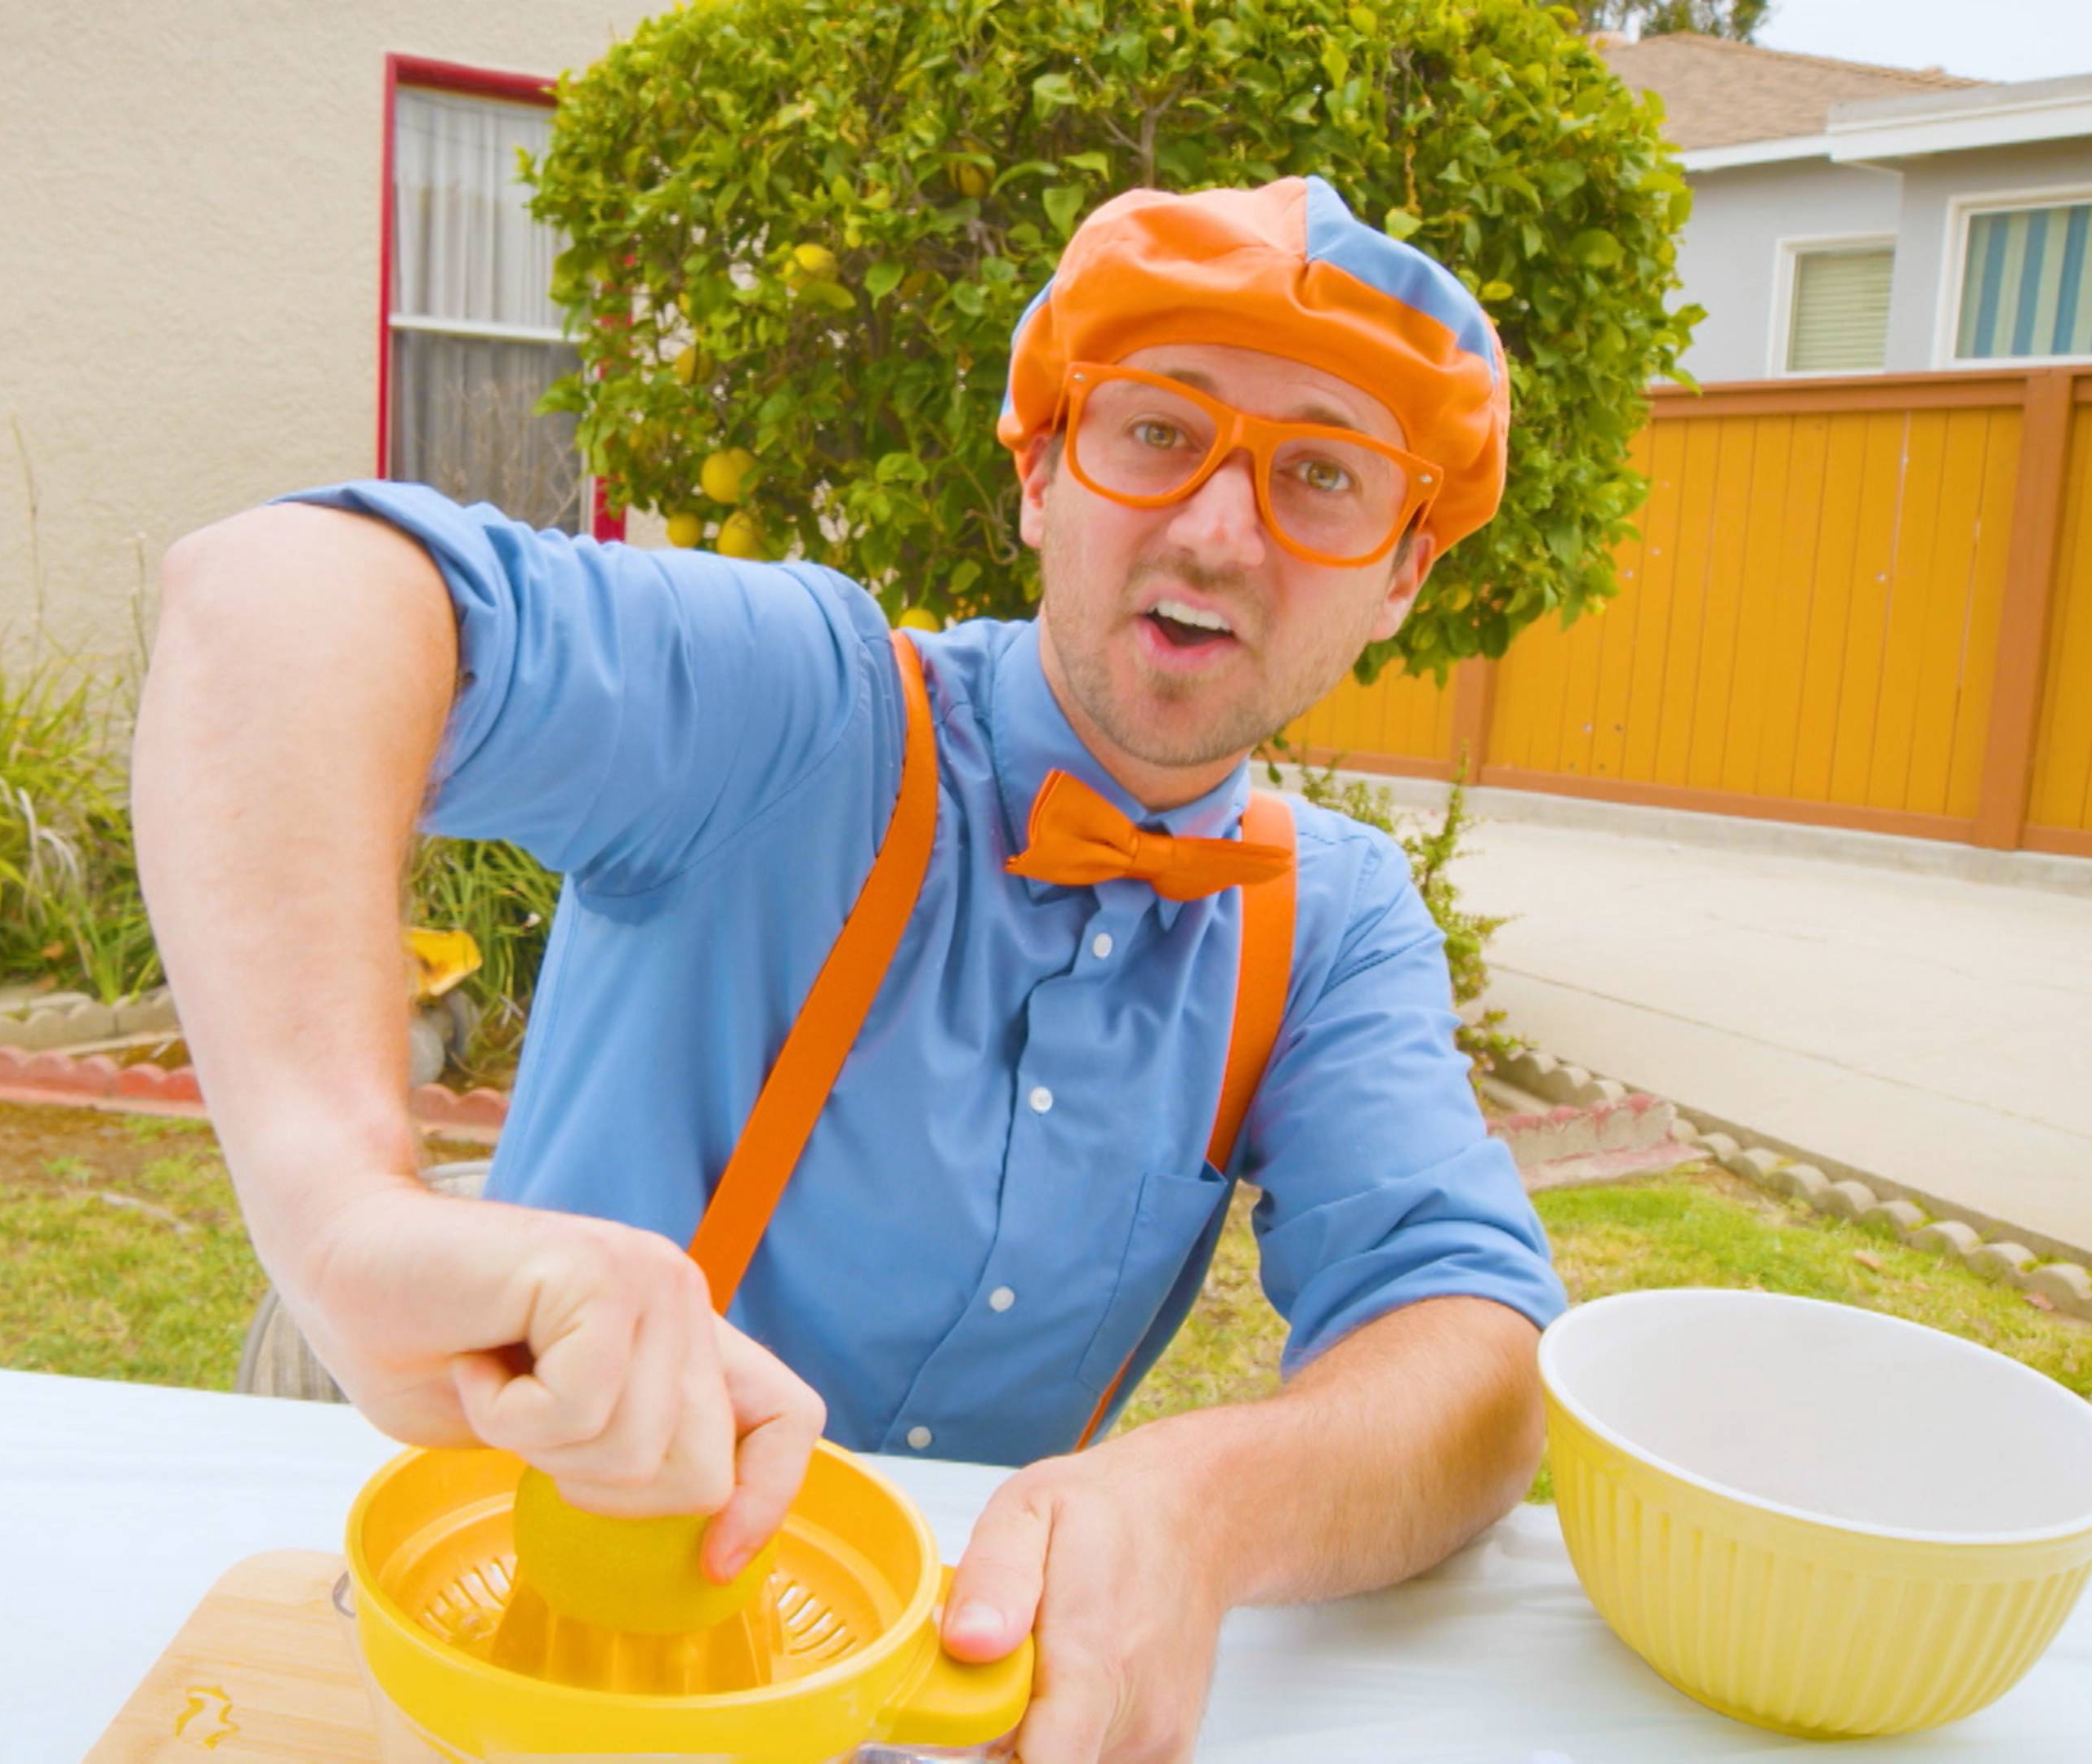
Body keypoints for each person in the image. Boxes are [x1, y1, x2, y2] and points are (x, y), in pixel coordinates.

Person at [133, 177, 1568, 1762]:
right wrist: (342, 1217)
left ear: (1404, 575)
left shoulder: (1336, 922)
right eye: (1159, 431)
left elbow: (1474, 1345)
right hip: (526, 1663)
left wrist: (1198, 1506)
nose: (1221, 530)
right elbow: (275, 593)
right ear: (1039, 473)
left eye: (1323, 475)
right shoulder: (803, 715)